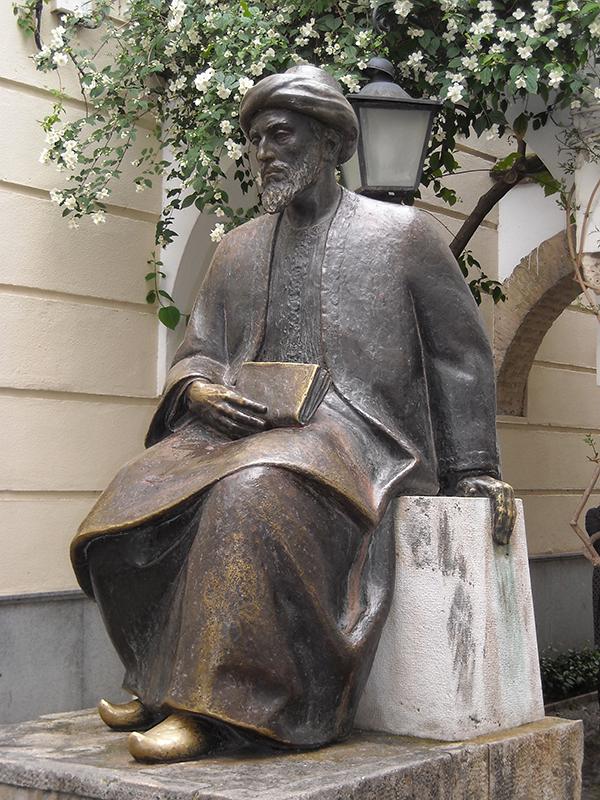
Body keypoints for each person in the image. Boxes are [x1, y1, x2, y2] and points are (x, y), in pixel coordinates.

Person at [70, 65, 516, 763]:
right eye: (252, 141)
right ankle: (158, 677)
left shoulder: (403, 235)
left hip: (360, 435)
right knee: (132, 497)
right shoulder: (237, 247)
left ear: (331, 141)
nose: (263, 153)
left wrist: (475, 469)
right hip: (245, 428)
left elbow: (460, 355)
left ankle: (211, 706)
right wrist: (196, 391)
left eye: (278, 135)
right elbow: (200, 349)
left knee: (250, 495)